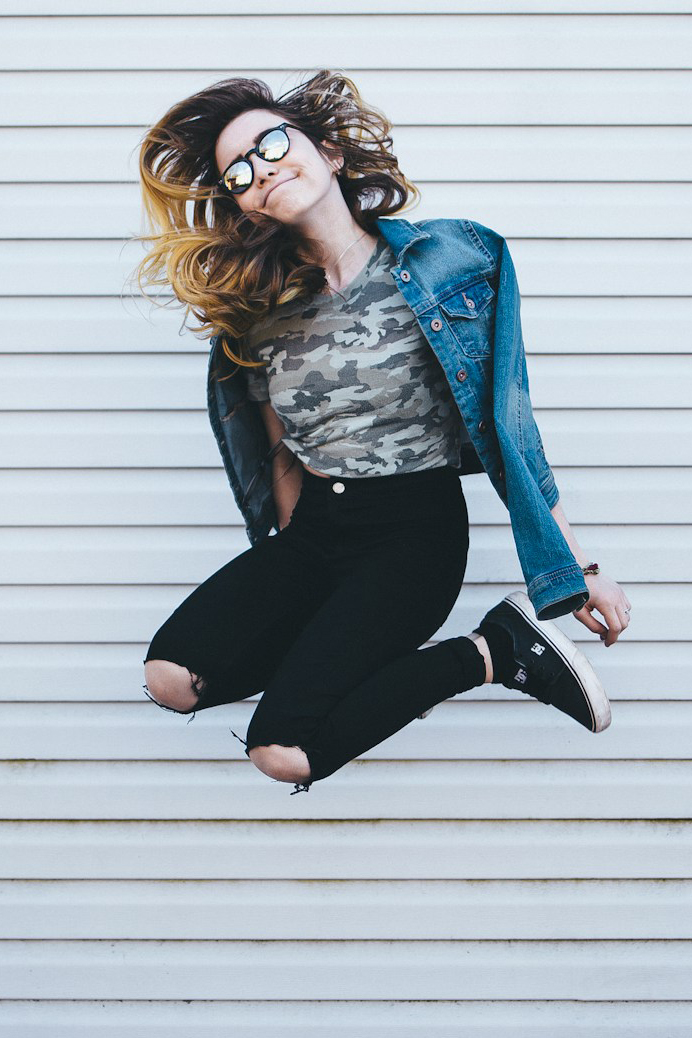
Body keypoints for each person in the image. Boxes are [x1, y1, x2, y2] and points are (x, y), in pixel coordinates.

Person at [133, 69, 631, 795]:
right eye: (238, 172)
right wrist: (282, 563)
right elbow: (274, 452)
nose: (260, 168)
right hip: (316, 532)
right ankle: (357, 650)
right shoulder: (255, 314)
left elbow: (510, 426)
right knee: (171, 677)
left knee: (283, 753)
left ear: (329, 154)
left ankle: (494, 652)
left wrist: (574, 569)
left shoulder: (453, 263)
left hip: (412, 537)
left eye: (272, 142)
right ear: (245, 206)